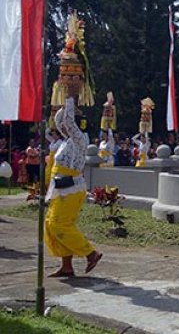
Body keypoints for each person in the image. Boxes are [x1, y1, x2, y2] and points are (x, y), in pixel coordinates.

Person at [45, 97, 102, 277]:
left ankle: (90, 253)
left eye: (66, 125)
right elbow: (60, 120)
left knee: (58, 225)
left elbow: (68, 121)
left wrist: (70, 98)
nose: (62, 127)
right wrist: (62, 106)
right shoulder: (65, 142)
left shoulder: (79, 140)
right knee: (50, 224)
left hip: (71, 189)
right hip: (60, 188)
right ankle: (67, 266)